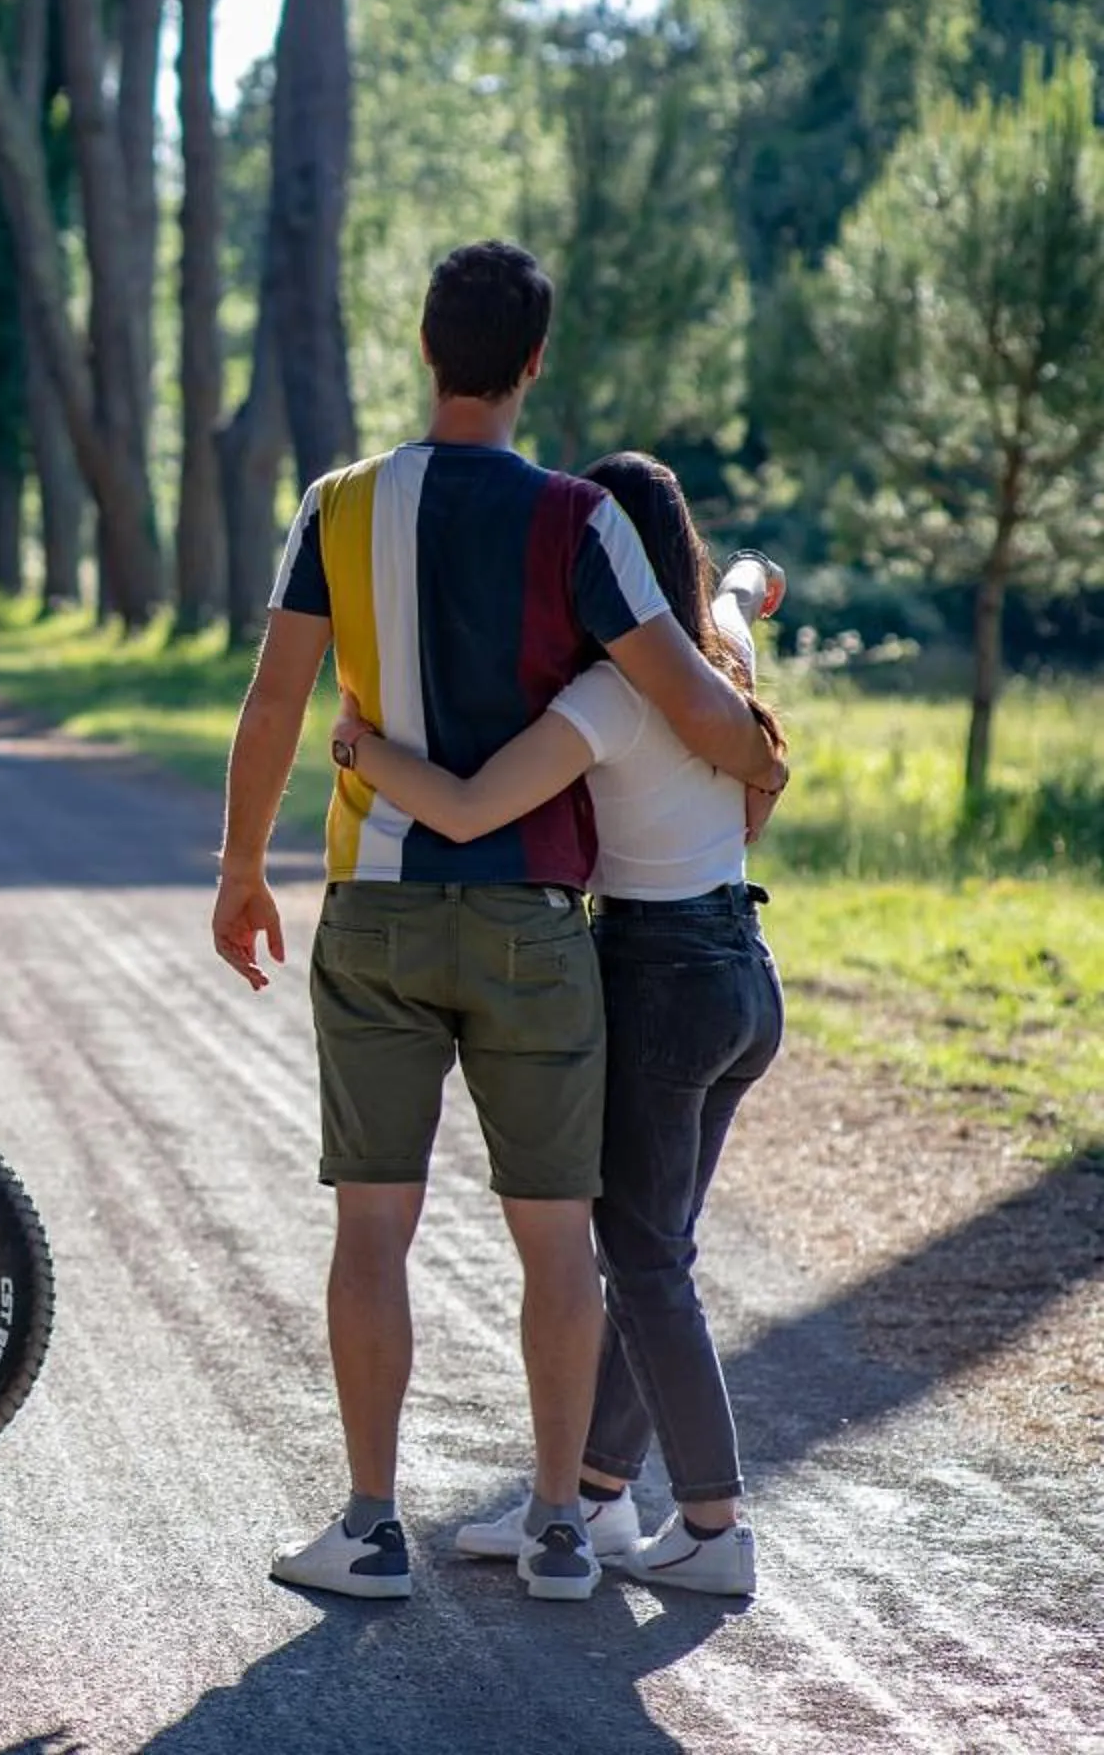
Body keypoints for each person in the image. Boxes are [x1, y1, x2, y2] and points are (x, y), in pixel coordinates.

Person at [210, 240, 788, 1604]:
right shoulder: (581, 520)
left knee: (374, 1227)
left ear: (425, 347)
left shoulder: (336, 506)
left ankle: (369, 1527)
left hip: (380, 915)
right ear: (534, 362)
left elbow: (276, 700)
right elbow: (694, 701)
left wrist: (241, 868)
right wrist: (763, 755)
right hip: (536, 924)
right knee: (555, 1234)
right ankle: (562, 1524)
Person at [333, 458, 786, 1598]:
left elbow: (469, 807)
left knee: (644, 1259)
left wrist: (359, 750)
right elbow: (745, 590)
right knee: (650, 1248)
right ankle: (592, 1494)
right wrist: (752, 577)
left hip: (657, 975)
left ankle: (715, 1521)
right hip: (743, 969)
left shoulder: (607, 696)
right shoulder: (721, 658)